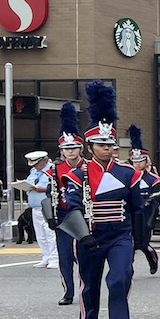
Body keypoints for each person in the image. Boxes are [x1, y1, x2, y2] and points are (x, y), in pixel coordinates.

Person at [60, 81, 144, 319]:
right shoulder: (78, 174)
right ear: (90, 147)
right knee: (90, 285)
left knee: (120, 277)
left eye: (110, 144)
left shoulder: (128, 173)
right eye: (101, 144)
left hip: (119, 234)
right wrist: (83, 236)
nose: (108, 148)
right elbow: (71, 207)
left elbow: (137, 209)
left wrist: (141, 241)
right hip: (90, 236)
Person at [54, 103, 86, 304]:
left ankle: (86, 288)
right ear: (61, 150)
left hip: (85, 217)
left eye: (74, 147)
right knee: (65, 256)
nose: (71, 151)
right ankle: (68, 291)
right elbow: (51, 194)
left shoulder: (89, 167)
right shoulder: (54, 169)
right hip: (64, 216)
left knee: (84, 256)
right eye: (67, 148)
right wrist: (51, 216)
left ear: (81, 148)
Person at [127, 126, 160, 276]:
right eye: (134, 161)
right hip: (132, 214)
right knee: (130, 244)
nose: (137, 164)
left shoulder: (153, 179)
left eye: (140, 161)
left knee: (144, 244)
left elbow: (156, 199)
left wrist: (152, 216)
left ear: (146, 161)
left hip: (146, 214)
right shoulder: (127, 177)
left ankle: (152, 259)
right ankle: (128, 269)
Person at [25, 150, 58, 268]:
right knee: (40, 235)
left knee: (50, 234)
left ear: (44, 161)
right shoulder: (33, 172)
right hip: (35, 207)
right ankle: (46, 257)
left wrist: (42, 189)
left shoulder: (52, 171)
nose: (34, 166)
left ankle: (55, 258)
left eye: (36, 164)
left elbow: (55, 187)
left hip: (47, 206)